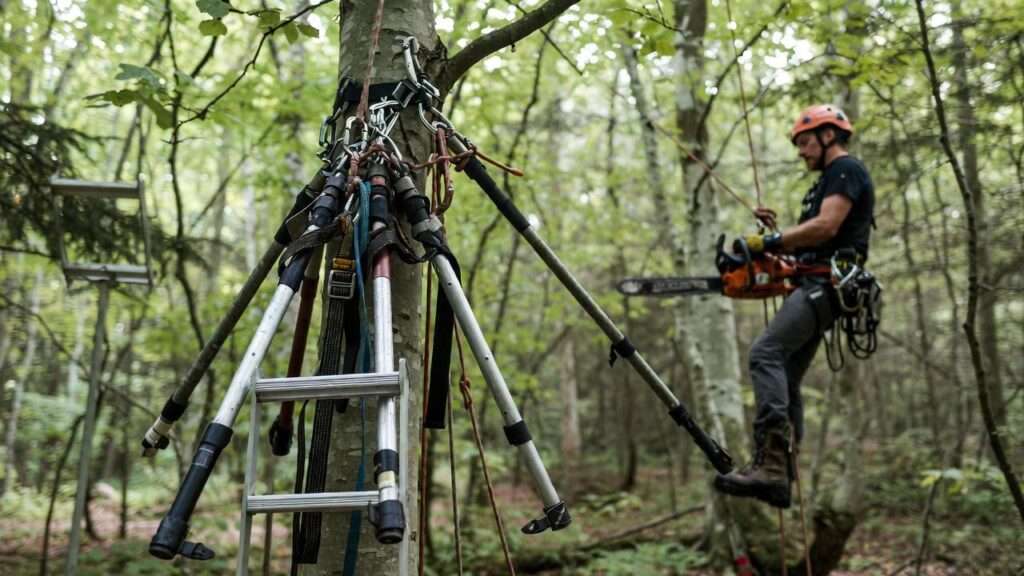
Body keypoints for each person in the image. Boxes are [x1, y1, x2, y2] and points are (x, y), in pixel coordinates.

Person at [713, 104, 875, 508]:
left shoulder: (846, 170)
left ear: (827, 137)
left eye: (805, 142)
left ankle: (770, 465)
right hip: (815, 282)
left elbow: (827, 227)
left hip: (824, 286)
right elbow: (813, 239)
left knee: (765, 353)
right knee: (784, 374)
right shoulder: (825, 183)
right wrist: (775, 236)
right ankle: (779, 475)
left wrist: (770, 242)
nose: (801, 152)